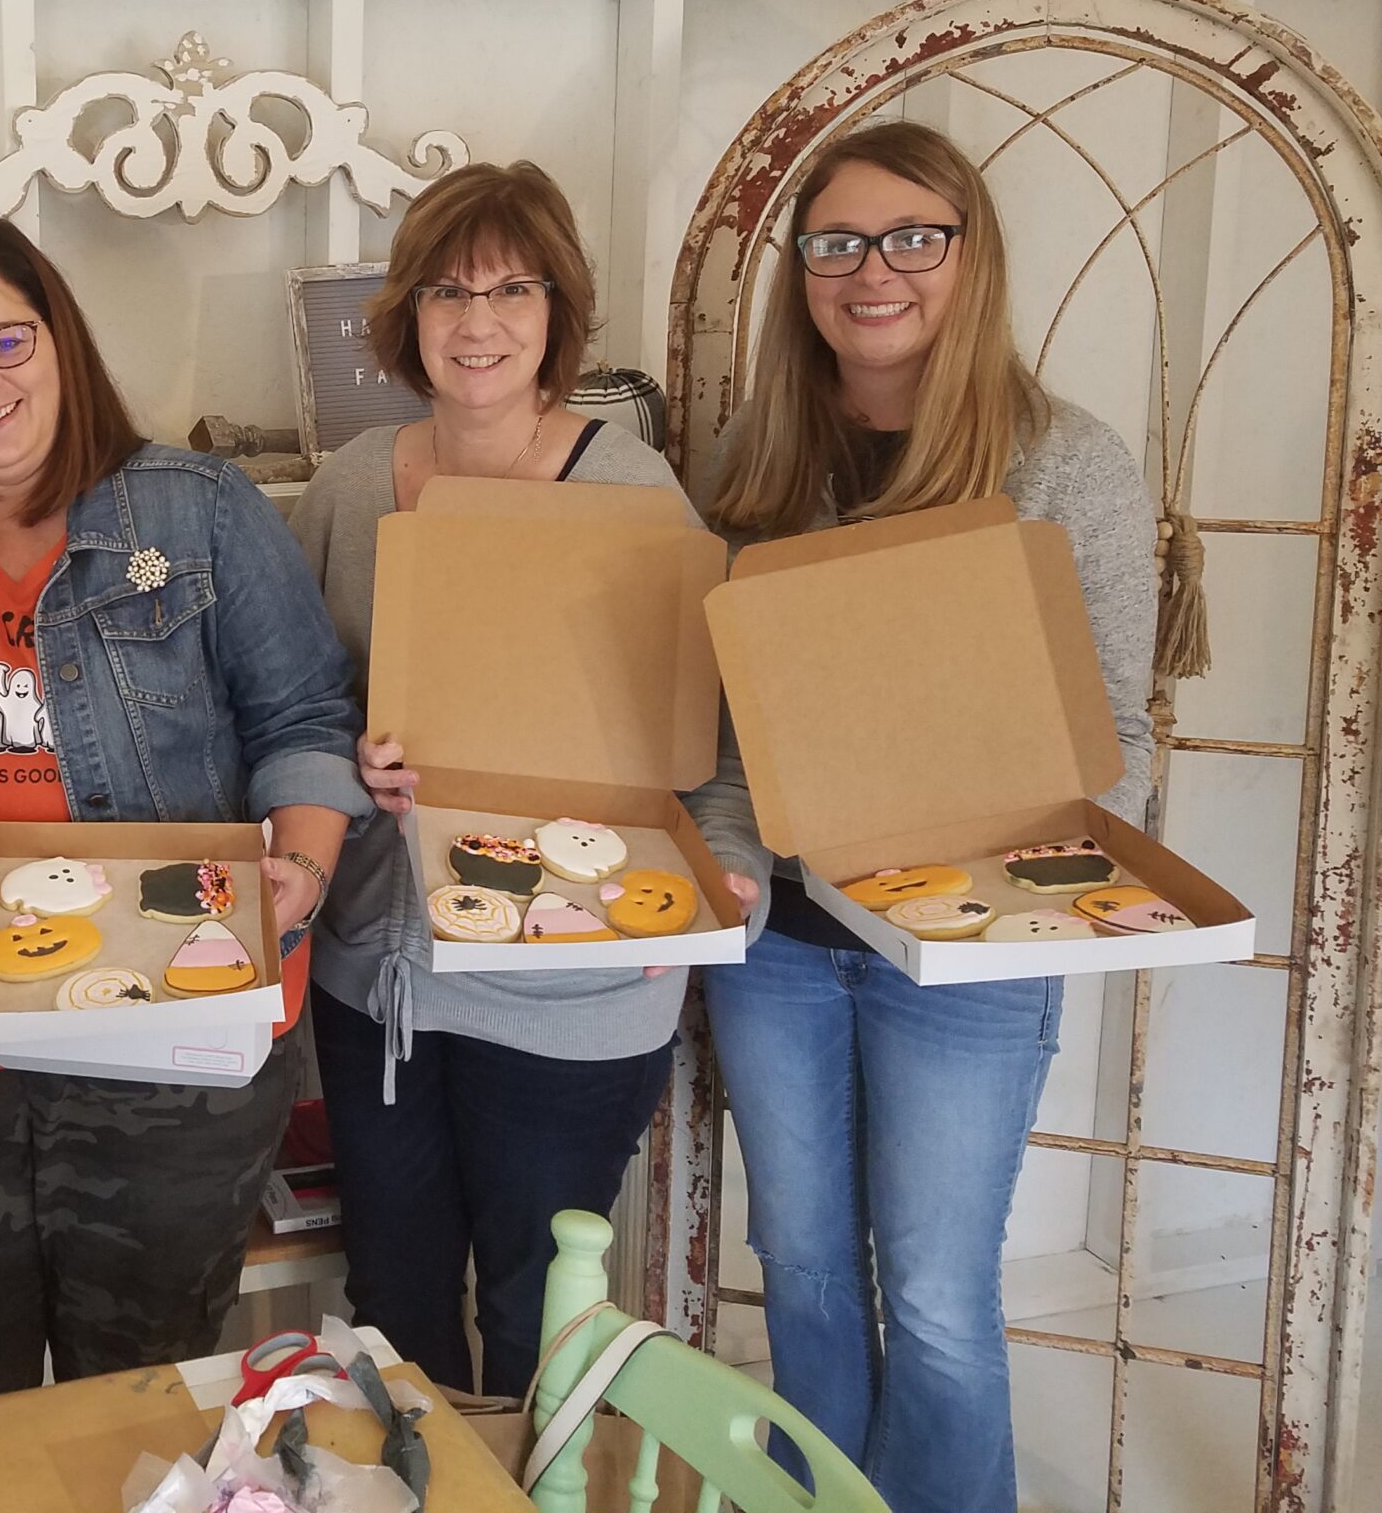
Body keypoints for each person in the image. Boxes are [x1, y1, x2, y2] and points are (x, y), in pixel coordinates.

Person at [697, 120, 1157, 1513]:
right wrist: (719, 873)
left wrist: (988, 840)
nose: (873, 270)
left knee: (945, 1299)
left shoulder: (1067, 467)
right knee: (811, 1280)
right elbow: (720, 736)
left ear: (972, 257)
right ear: (804, 273)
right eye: (838, 242)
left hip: (965, 952)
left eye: (914, 237)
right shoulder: (756, 457)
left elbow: (1117, 739)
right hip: (779, 944)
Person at [0, 215, 367, 1408]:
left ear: (60, 343)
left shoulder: (195, 511)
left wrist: (306, 869)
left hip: (174, 1053)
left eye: (7, 341)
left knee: (138, 1401)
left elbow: (303, 718)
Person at [289, 160, 762, 1399]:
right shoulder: (348, 486)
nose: (477, 320)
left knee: (536, 1301)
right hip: (379, 973)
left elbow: (703, 736)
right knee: (389, 1299)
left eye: (511, 287)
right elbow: (290, 708)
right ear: (408, 314)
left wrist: (724, 876)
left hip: (570, 981)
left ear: (558, 312)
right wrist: (348, 757)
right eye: (447, 289)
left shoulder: (629, 489)